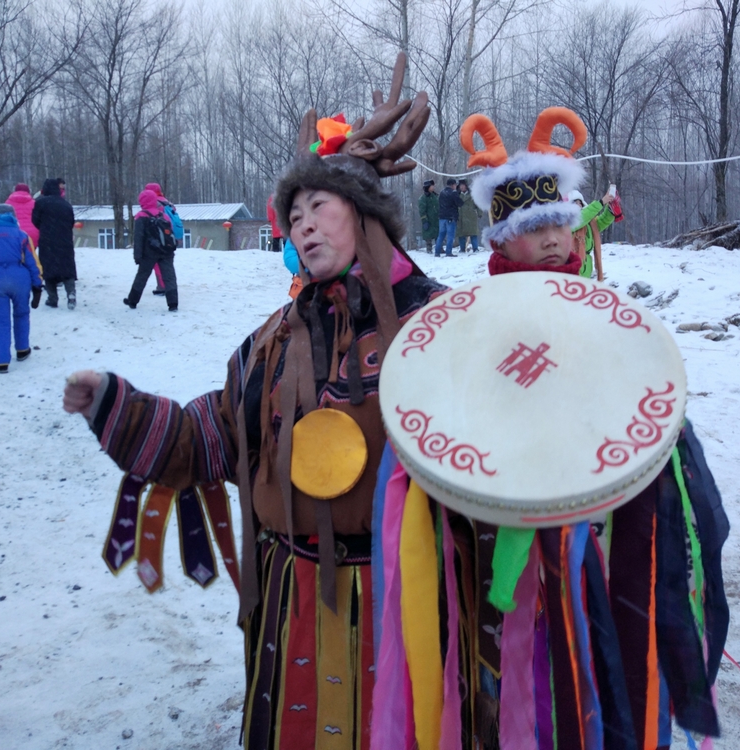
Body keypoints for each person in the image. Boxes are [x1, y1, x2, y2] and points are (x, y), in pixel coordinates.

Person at [63, 54, 439, 748]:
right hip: (290, 598)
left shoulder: (436, 323)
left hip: (405, 601)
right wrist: (116, 406)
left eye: (318, 207)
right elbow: (212, 439)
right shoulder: (274, 339)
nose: (302, 225)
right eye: (292, 214)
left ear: (364, 214)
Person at [459, 107, 728, 748]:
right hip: (523, 510)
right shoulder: (482, 317)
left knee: (617, 630)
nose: (553, 237)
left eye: (559, 221)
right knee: (538, 648)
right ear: (501, 241)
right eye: (534, 227)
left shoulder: (603, 306)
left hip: (612, 507)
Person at [0, 204, 43, 373]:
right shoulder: (22, 236)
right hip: (20, 278)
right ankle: (22, 349)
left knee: (0, 321)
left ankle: (2, 361)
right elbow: (32, 262)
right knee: (21, 314)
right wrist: (37, 286)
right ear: (13, 216)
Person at [122, 189, 178, 312]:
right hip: (166, 251)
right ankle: (173, 303)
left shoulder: (141, 216)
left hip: (149, 253)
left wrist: (137, 256)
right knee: (169, 277)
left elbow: (138, 237)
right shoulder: (164, 216)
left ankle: (133, 300)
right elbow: (170, 233)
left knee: (142, 276)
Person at [31, 177, 77, 309]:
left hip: (48, 240)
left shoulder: (41, 203)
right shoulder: (65, 204)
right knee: (67, 269)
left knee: (48, 269)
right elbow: (71, 222)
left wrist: (46, 227)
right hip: (65, 240)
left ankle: (52, 298)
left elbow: (35, 220)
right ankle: (71, 294)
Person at [569, 188, 621, 280]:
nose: (578, 205)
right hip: (571, 269)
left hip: (586, 269)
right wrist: (601, 202)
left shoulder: (589, 223)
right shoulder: (566, 223)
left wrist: (610, 208)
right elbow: (582, 217)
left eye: (580, 202)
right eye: (574, 203)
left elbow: (603, 221)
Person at [144, 182, 183, 296]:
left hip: (161, 237)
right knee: (167, 262)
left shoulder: (155, 202)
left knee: (158, 262)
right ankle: (167, 286)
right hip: (170, 236)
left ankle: (163, 287)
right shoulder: (167, 202)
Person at [5, 183, 39, 250]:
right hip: (32, 235)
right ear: (29, 191)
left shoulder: (7, 203)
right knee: (30, 257)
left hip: (14, 234)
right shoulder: (34, 203)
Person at [436, 176, 462, 256]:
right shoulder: (453, 193)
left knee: (441, 235)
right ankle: (448, 252)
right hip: (450, 217)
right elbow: (460, 203)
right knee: (450, 235)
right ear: (453, 185)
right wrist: (458, 193)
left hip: (441, 217)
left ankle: (437, 252)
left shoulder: (441, 192)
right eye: (455, 185)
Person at [456, 178, 481, 253]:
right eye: (460, 186)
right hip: (460, 217)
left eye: (463, 186)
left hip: (471, 217)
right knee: (461, 234)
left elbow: (478, 204)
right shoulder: (457, 195)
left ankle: (475, 248)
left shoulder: (472, 195)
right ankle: (462, 249)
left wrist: (480, 213)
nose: (461, 187)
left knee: (473, 233)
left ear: (466, 186)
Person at [418, 179, 438, 254]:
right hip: (428, 220)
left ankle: (439, 248)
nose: (433, 187)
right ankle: (429, 249)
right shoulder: (422, 198)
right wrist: (424, 221)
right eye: (432, 186)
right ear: (428, 187)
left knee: (438, 234)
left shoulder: (435, 196)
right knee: (428, 236)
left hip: (436, 219)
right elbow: (422, 211)